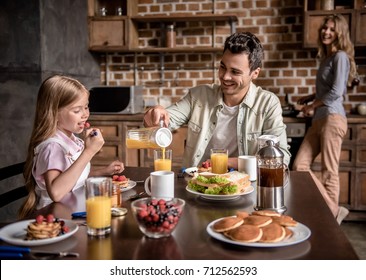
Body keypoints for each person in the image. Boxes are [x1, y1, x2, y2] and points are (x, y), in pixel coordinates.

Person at [143, 32, 291, 169]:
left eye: (235, 72)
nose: (225, 77)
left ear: (255, 73)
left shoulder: (268, 103)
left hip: (245, 186)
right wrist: (155, 114)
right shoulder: (198, 96)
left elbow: (280, 159)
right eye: (222, 67)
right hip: (197, 184)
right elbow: (164, 121)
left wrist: (226, 161)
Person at [18, 75, 124, 218]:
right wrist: (89, 152)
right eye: (77, 110)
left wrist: (103, 171)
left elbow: (74, 177)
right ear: (54, 113)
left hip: (74, 210)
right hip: (55, 218)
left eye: (86, 107)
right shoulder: (52, 147)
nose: (85, 114)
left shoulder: (73, 140)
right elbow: (56, 193)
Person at [292, 14, 357, 224]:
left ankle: (331, 217)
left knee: (329, 171)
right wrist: (311, 97)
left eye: (331, 29)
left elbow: (337, 92)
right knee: (299, 166)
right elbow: (328, 90)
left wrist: (311, 105)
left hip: (333, 117)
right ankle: (334, 210)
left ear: (340, 33)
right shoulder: (328, 58)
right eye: (324, 28)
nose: (326, 32)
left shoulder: (340, 57)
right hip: (320, 118)